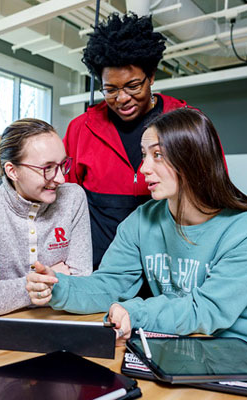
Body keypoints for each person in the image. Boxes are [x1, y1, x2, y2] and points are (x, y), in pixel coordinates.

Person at [26, 108, 247, 342]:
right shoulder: (142, 220)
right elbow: (110, 285)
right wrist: (57, 286)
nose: (143, 169)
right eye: (144, 155)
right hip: (173, 342)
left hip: (231, 350)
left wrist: (135, 313)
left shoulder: (239, 231)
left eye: (158, 155)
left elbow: (205, 310)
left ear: (191, 158)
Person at [64, 13, 191, 269]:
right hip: (103, 271)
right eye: (110, 89)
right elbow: (63, 203)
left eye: (133, 86)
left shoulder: (186, 124)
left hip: (169, 271)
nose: (122, 98)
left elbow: (209, 190)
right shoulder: (81, 130)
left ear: (152, 76)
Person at [0, 118, 92, 317]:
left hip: (60, 320)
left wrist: (4, 291)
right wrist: (47, 280)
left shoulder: (73, 197)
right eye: (47, 168)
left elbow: (83, 285)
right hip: (2, 330)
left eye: (63, 164)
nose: (61, 178)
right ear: (12, 171)